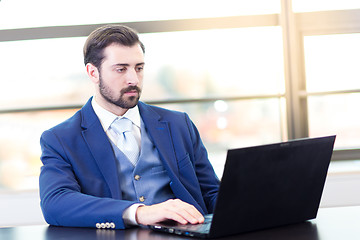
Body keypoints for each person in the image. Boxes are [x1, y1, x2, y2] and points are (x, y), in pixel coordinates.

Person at [39, 24, 219, 230]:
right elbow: (55, 203)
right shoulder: (60, 138)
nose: (133, 79)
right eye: (121, 69)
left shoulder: (179, 124)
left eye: (139, 68)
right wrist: (139, 212)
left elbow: (211, 192)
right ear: (93, 72)